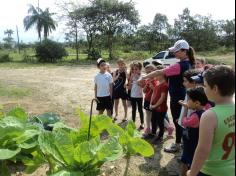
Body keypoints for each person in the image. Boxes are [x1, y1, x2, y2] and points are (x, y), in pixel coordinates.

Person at [138, 39, 195, 153]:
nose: (174, 53)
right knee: (182, 120)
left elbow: (158, 72)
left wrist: (143, 77)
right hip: (184, 95)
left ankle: (177, 144)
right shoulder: (189, 63)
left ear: (184, 51)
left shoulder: (179, 65)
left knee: (177, 120)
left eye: (176, 51)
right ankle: (182, 142)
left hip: (177, 97)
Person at [187, 65, 235, 176]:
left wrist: (192, 172)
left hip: (211, 171)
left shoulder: (210, 116)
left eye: (205, 85)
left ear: (215, 89)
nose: (203, 88)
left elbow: (203, 150)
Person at [181, 87, 209, 176]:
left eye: (189, 99)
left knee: (186, 161)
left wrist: (185, 108)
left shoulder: (195, 116)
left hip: (191, 144)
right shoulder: (207, 109)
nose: (187, 101)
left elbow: (183, 122)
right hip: (197, 143)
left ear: (197, 103)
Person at [149, 65, 169, 144]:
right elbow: (154, 93)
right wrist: (151, 103)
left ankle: (160, 136)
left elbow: (162, 98)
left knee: (160, 122)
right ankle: (153, 133)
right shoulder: (157, 83)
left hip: (161, 108)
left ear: (162, 74)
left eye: (156, 74)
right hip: (154, 107)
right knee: (153, 120)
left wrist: (155, 105)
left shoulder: (164, 85)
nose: (154, 75)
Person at [143, 63, 158, 135]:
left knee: (154, 115)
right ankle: (148, 128)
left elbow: (156, 91)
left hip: (154, 101)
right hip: (147, 99)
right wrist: (146, 84)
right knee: (147, 114)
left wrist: (151, 84)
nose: (148, 74)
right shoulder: (147, 80)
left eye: (150, 72)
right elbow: (144, 91)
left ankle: (167, 126)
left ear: (154, 71)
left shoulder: (156, 80)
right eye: (147, 72)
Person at [130, 62, 145, 130]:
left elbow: (143, 86)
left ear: (140, 69)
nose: (134, 70)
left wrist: (139, 83)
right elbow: (130, 84)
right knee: (133, 110)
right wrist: (128, 85)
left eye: (136, 69)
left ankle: (142, 123)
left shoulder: (142, 76)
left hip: (139, 96)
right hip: (132, 95)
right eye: (133, 69)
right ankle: (133, 122)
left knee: (140, 109)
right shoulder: (132, 75)